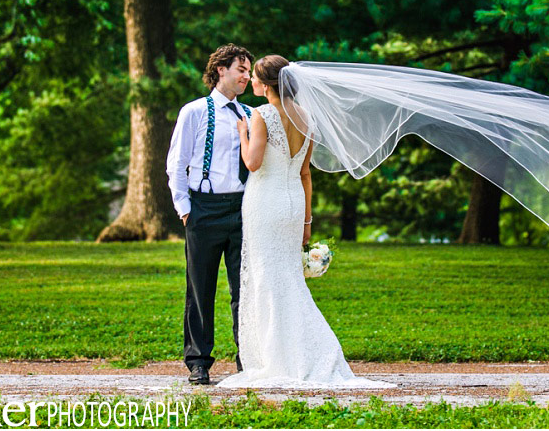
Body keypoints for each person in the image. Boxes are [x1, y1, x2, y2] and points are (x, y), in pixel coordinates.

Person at [215, 55, 391, 389]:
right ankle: (302, 350)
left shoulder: (261, 114)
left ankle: (278, 356)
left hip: (265, 202)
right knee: (289, 277)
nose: (250, 81)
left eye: (253, 76)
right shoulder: (307, 117)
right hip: (294, 202)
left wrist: (242, 134)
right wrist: (307, 221)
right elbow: (306, 173)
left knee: (268, 277)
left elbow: (253, 163)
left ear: (265, 84)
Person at [166, 44, 254, 386]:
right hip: (203, 209)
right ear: (220, 70)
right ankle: (198, 361)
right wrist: (185, 209)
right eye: (241, 70)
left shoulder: (249, 113)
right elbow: (177, 162)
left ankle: (247, 357)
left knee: (243, 289)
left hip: (242, 209)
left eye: (248, 71)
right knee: (199, 287)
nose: (246, 76)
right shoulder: (195, 111)